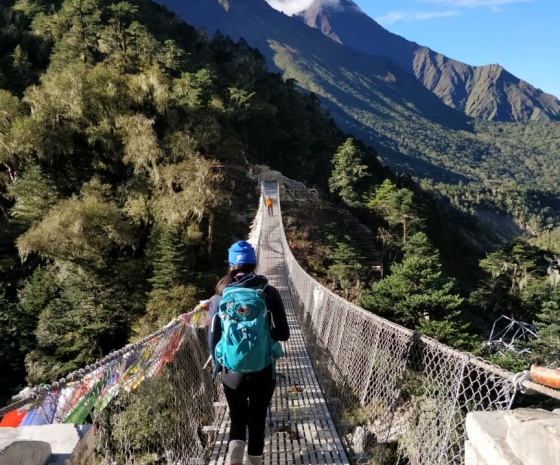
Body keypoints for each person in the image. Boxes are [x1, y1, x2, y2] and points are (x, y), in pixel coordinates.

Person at [208, 240, 290, 465]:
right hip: (263, 369)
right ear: (254, 263)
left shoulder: (220, 295)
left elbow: (213, 339)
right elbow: (284, 334)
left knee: (237, 420)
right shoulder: (268, 292)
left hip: (231, 371)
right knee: (256, 421)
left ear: (231, 264)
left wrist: (221, 362)